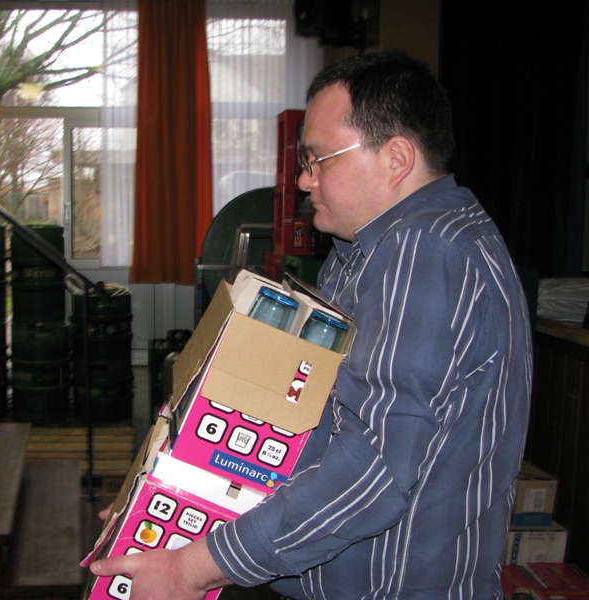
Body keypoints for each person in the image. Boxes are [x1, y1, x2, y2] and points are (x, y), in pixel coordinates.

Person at [90, 50, 532, 599]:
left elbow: (371, 470)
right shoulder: (365, 253)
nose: (303, 179)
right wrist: (170, 499)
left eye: (319, 159)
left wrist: (190, 570)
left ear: (395, 158)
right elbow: (301, 423)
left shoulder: (424, 252)